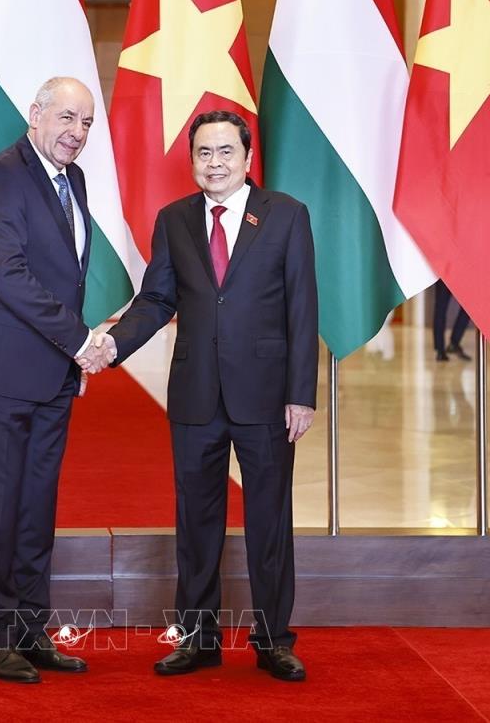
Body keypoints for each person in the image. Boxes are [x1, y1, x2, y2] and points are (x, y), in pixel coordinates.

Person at [100, 110, 318, 681]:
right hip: (196, 393)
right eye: (203, 152)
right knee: (196, 522)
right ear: (192, 160)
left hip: (267, 396)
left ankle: (274, 640)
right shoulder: (174, 219)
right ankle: (198, 639)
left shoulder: (286, 215)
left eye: (225, 151)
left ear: (247, 157)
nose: (214, 163)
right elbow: (157, 299)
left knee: (270, 521)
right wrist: (113, 344)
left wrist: (301, 393)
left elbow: (302, 306)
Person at [0, 76, 111, 683]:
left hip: (51, 375)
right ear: (35, 113)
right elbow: (10, 275)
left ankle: (29, 627)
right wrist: (80, 342)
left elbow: (67, 276)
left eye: (86, 123)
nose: (77, 132)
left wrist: (71, 355)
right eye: (67, 117)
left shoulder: (74, 179)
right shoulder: (1, 176)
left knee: (36, 508)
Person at [432, 280, 471, 361]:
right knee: (468, 305)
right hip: (460, 275)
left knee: (440, 308)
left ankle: (440, 351)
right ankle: (454, 342)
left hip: (443, 275)